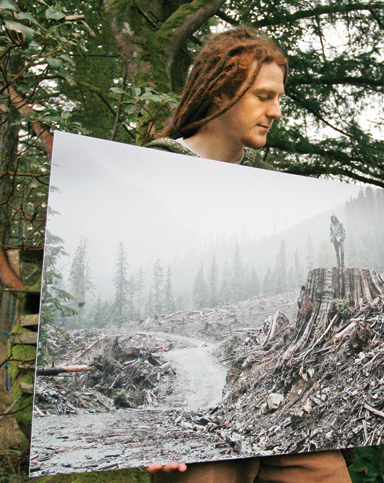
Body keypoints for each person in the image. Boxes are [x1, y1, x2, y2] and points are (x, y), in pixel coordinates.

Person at [144, 26, 352, 483]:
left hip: (279, 408)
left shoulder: (269, 192)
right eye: (263, 96)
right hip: (193, 436)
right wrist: (149, 433)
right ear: (221, 91)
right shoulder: (150, 174)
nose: (276, 111)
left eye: (278, 98)